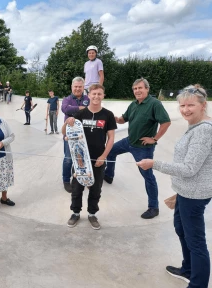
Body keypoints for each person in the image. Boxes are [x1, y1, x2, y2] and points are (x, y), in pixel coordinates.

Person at [137, 85, 211, 288]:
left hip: (194, 194)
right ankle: (188, 270)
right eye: (182, 105)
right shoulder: (195, 126)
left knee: (196, 241)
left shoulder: (204, 130)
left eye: (191, 105)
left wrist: (154, 164)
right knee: (181, 229)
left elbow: (189, 169)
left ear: (202, 105)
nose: (185, 110)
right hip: (185, 191)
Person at [104, 78, 171, 219]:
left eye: (140, 88)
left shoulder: (154, 104)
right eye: (135, 89)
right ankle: (109, 175)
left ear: (147, 89)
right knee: (109, 151)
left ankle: (154, 207)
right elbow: (123, 119)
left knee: (148, 177)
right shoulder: (133, 104)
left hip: (143, 147)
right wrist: (113, 117)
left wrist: (154, 139)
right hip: (129, 141)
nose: (137, 91)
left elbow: (166, 122)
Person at [62, 84, 116, 230]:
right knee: (77, 187)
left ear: (103, 95)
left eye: (99, 94)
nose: (96, 97)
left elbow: (111, 138)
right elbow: (65, 132)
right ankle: (75, 212)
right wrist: (67, 122)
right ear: (89, 95)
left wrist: (104, 156)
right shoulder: (80, 114)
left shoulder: (108, 115)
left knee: (96, 188)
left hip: (98, 159)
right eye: (94, 94)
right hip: (80, 159)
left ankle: (92, 214)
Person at [61, 77, 90, 193]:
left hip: (84, 136)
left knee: (81, 158)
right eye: (75, 86)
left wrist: (73, 110)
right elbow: (65, 109)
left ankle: (78, 178)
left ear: (83, 87)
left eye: (80, 87)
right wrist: (80, 108)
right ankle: (66, 180)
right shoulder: (66, 99)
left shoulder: (88, 98)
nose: (78, 89)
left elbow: (91, 110)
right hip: (69, 135)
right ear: (71, 87)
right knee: (68, 159)